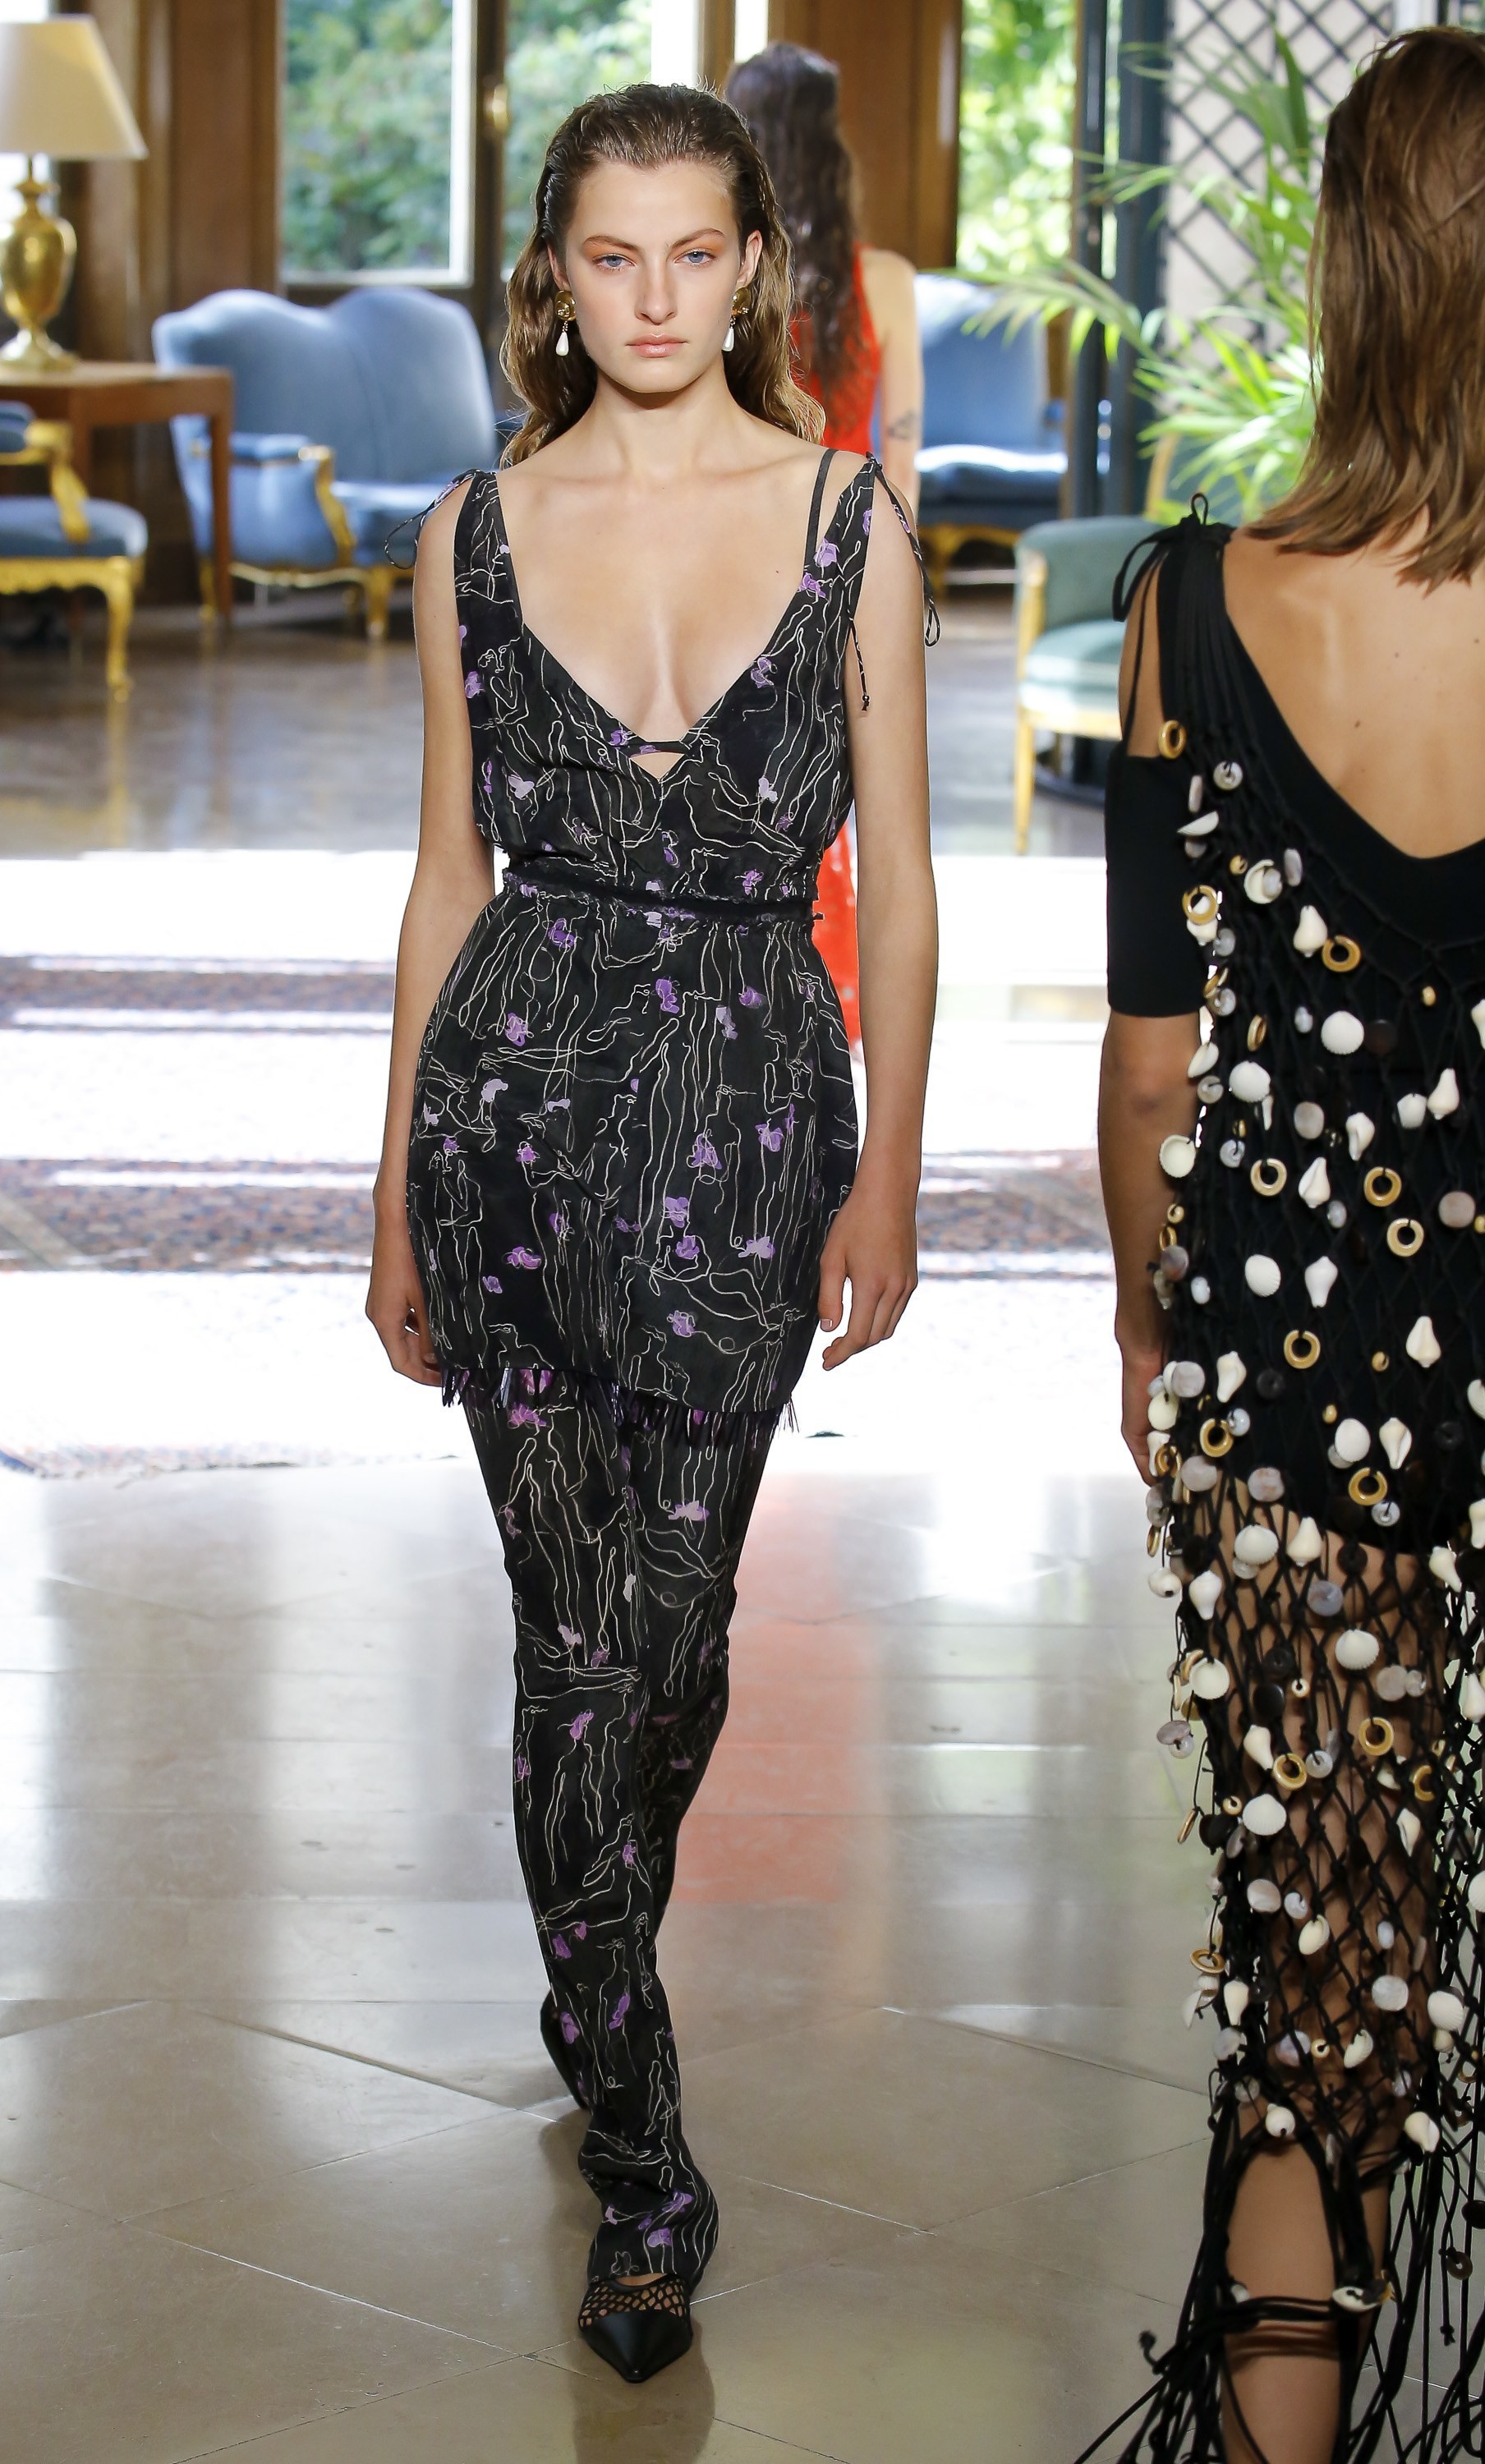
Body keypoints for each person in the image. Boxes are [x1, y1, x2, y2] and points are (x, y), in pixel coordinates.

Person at [366, 82, 938, 2387]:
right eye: (612, 257)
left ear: (756, 265)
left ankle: (583, 1946)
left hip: (750, 1124)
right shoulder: (473, 533)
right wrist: (390, 1195)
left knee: (670, 1642)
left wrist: (892, 1170)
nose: (655, 298)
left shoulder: (845, 525)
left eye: (696, 253)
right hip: (510, 1121)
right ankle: (646, 2147)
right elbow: (444, 879)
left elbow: (902, 883)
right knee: (571, 1640)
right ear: (553, 274)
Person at [1092, 30, 1485, 2462]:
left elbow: (1152, 1066)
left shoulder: (1193, 607)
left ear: (1344, 273)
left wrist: (1152, 1327)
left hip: (1287, 1368)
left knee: (1316, 1967)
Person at [726, 40, 926, 1052]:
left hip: (734, 548)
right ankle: (824, 1003)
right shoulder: (882, 280)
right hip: (844, 555)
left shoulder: (726, 277)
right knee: (840, 789)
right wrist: (895, 584)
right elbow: (901, 451)